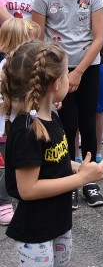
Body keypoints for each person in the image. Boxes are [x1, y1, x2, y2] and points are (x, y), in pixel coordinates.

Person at [0, 39, 103, 267]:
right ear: (53, 84)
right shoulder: (26, 130)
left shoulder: (51, 117)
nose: (70, 79)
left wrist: (81, 169)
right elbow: (28, 189)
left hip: (59, 226)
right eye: (66, 74)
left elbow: (55, 165)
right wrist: (79, 179)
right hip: (35, 234)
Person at [31, 0, 103, 209]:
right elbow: (39, 41)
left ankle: (89, 179)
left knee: (87, 124)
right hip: (56, 70)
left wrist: (77, 73)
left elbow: (98, 38)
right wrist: (61, 74)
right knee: (65, 125)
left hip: (87, 68)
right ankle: (68, 176)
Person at [0, 18, 43, 227]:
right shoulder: (4, 68)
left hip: (20, 125)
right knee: (6, 165)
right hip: (5, 127)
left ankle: (20, 194)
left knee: (20, 161)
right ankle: (3, 203)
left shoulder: (27, 67)